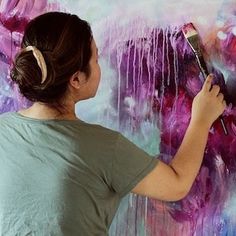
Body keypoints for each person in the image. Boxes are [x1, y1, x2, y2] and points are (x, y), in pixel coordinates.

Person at [0, 11, 226, 236]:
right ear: (76, 80)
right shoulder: (102, 147)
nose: (101, 65)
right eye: (96, 59)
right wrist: (201, 118)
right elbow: (177, 184)